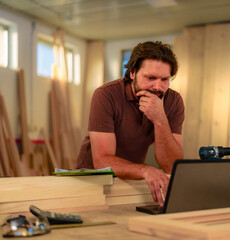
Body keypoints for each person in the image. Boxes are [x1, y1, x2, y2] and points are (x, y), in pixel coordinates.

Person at [77, 41, 184, 206]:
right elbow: (102, 162)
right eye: (150, 78)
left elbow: (172, 165)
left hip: (132, 180)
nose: (158, 86)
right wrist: (146, 170)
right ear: (133, 72)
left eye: (164, 79)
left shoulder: (174, 101)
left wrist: (160, 119)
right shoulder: (105, 95)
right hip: (93, 180)